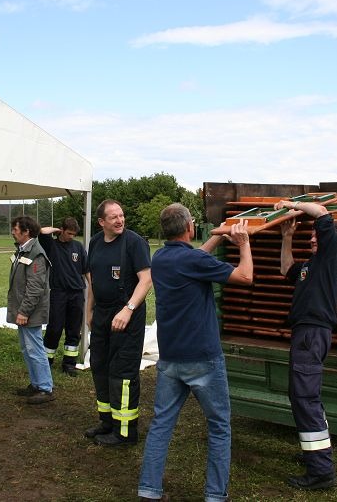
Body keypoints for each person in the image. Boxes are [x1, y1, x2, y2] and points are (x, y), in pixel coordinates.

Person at [137, 205, 253, 502]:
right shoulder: (193, 260)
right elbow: (245, 277)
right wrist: (244, 243)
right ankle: (215, 495)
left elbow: (195, 256)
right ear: (189, 227)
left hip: (171, 358)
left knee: (161, 425)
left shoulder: (161, 258)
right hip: (204, 359)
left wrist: (217, 236)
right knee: (219, 427)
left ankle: (148, 490)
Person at [275, 199, 337, 490]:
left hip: (312, 334)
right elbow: (286, 269)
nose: (313, 237)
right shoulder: (311, 266)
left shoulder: (333, 256)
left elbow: (322, 212)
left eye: (317, 235)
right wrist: (287, 237)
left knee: (305, 398)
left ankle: (321, 471)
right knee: (304, 396)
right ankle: (316, 454)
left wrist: (292, 204)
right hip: (306, 334)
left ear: (330, 238)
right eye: (312, 236)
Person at [84, 199, 152, 446]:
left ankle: (125, 432)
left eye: (121, 215)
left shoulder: (134, 243)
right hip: (101, 314)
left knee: (122, 373)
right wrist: (88, 311)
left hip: (127, 315)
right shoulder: (94, 243)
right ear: (102, 222)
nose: (120, 220)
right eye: (113, 217)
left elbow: (146, 280)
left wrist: (128, 309)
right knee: (100, 367)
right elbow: (92, 281)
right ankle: (108, 421)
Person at [8, 216, 55, 405]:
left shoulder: (35, 253)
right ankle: (36, 384)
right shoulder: (23, 250)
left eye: (15, 228)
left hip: (30, 313)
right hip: (24, 311)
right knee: (27, 349)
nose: (13, 231)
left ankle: (45, 388)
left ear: (26, 231)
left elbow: (35, 287)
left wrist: (24, 311)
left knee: (35, 349)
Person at [38, 218, 90, 377]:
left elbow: (86, 269)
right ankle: (46, 361)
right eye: (68, 233)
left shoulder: (78, 247)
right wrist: (56, 230)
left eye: (74, 234)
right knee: (54, 328)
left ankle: (69, 364)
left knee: (74, 330)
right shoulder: (52, 245)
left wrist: (92, 286)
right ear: (62, 230)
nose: (71, 237)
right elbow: (41, 231)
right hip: (58, 293)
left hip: (76, 293)